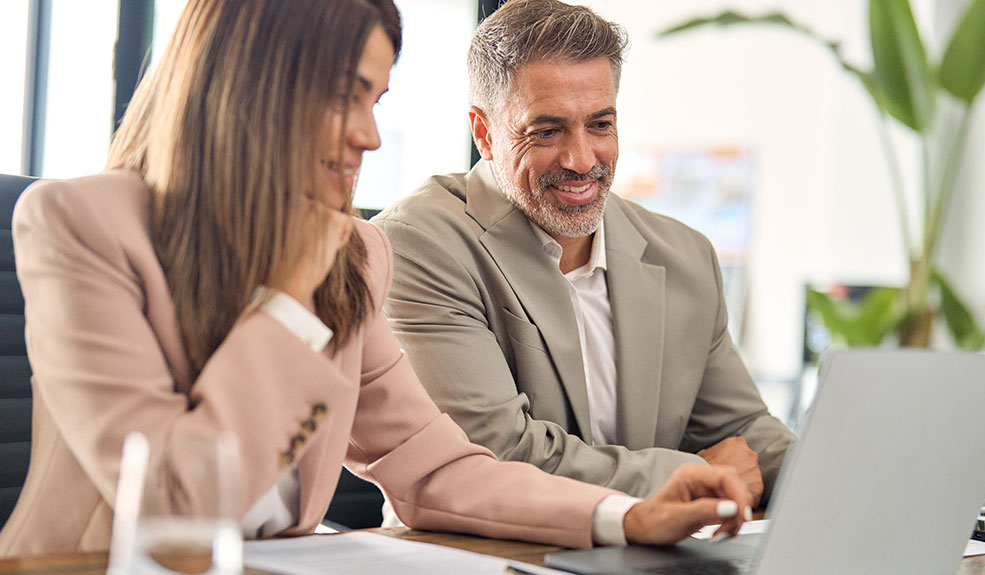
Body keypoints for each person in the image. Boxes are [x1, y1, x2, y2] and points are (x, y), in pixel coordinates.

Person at [0, 0, 750, 558]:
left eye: (375, 100)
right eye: (342, 97)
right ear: (252, 88)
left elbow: (440, 469)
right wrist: (291, 296)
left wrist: (626, 514)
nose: (369, 134)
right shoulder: (79, 225)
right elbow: (172, 504)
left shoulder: (352, 254)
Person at [372, 0, 794, 512]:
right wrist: (695, 476)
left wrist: (839, 473)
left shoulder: (685, 256)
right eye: (546, 131)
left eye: (600, 125)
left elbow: (744, 434)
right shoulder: (418, 243)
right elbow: (493, 456)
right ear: (483, 133)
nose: (580, 160)